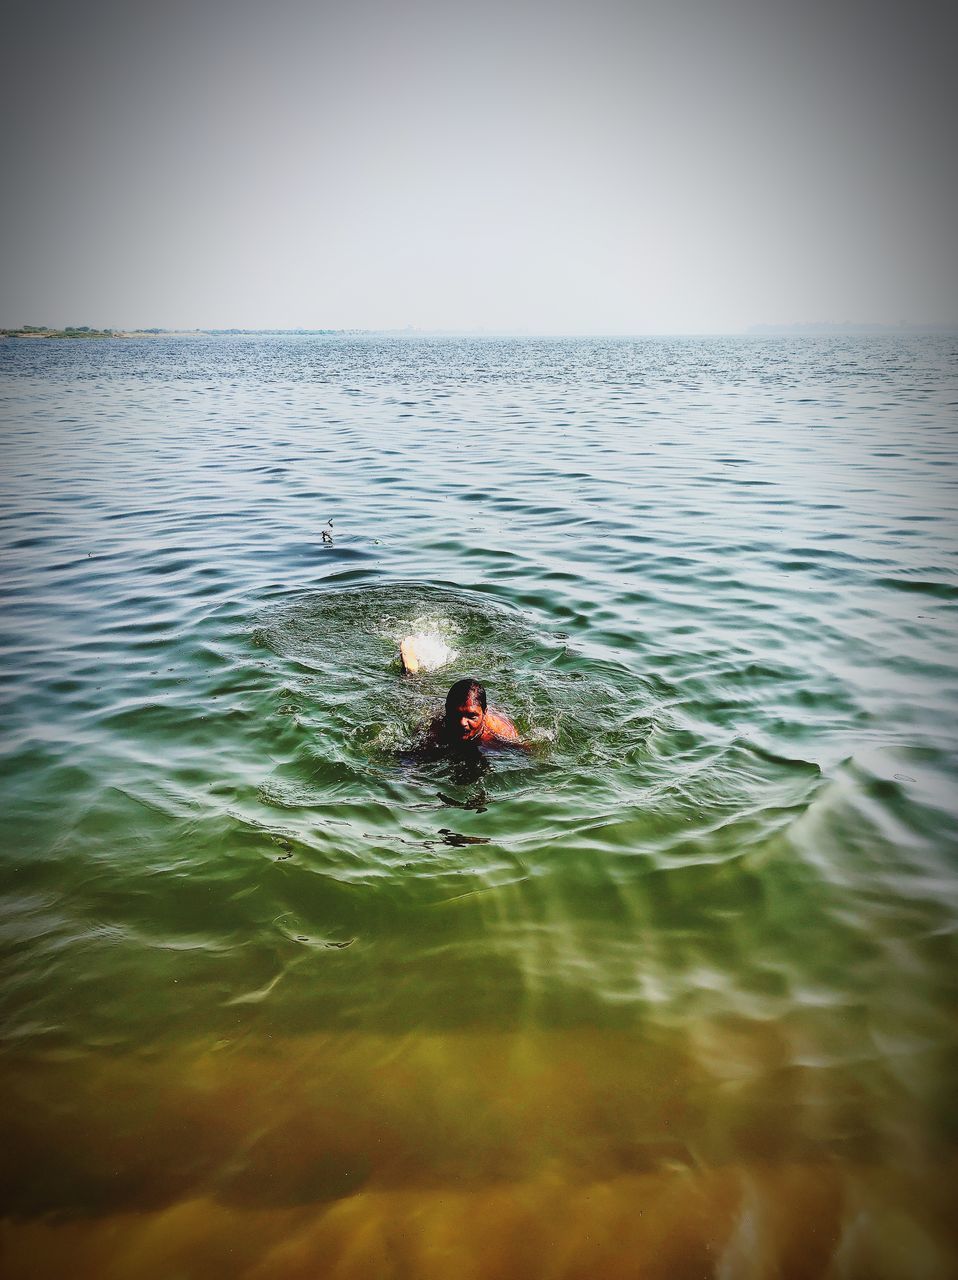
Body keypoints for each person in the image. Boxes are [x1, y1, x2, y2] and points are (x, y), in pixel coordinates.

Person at [421, 678, 526, 752]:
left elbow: (526, 752)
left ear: (484, 712)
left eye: (471, 716)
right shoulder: (436, 729)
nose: (462, 723)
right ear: (447, 710)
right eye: (456, 715)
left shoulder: (500, 732)